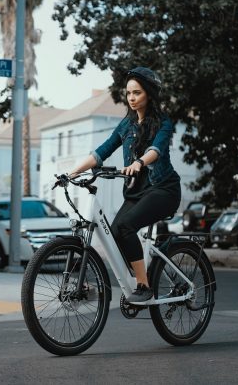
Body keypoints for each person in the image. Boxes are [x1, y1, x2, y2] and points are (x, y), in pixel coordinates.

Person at [68, 67, 181, 303]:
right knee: (116, 231)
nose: (131, 98)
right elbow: (103, 151)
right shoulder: (126, 125)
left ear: (148, 94)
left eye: (137, 93)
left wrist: (139, 162)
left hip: (163, 190)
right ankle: (136, 276)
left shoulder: (163, 122)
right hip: (136, 192)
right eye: (129, 93)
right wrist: (74, 170)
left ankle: (143, 285)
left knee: (126, 226)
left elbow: (156, 149)